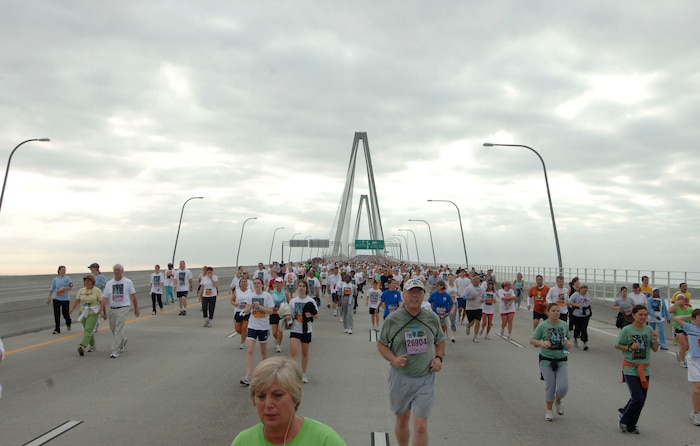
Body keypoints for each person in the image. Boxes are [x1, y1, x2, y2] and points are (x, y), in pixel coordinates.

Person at [377, 277, 445, 446]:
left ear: (423, 296)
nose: (414, 296)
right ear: (403, 295)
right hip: (401, 377)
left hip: (425, 377)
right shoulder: (393, 319)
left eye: (418, 292)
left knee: (421, 426)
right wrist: (394, 358)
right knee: (402, 419)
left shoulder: (432, 318)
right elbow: (381, 344)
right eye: (411, 292)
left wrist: (438, 358)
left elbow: (440, 340)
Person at [231, 356, 346, 445]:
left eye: (278, 395)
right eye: (261, 396)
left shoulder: (325, 441)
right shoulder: (243, 442)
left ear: (295, 396)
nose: (268, 404)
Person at [615, 304, 659, 434]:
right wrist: (629, 347)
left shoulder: (649, 330)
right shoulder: (627, 330)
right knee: (637, 397)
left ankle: (631, 425)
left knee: (641, 400)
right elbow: (617, 345)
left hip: (644, 369)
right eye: (640, 314)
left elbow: (655, 349)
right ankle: (623, 419)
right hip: (630, 368)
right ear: (633, 315)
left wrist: (655, 339)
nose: (643, 317)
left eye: (645, 315)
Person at [530, 303, 571, 422]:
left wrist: (568, 344)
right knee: (551, 385)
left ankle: (557, 400)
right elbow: (532, 340)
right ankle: (549, 410)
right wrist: (542, 343)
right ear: (548, 312)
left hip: (561, 358)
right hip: (546, 359)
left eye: (558, 311)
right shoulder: (543, 326)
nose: (556, 313)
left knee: (563, 386)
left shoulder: (564, 325)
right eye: (553, 310)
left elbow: (568, 338)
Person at [240, 277, 275, 386]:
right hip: (252, 325)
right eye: (255, 283)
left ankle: (266, 374)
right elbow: (245, 311)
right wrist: (248, 308)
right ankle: (248, 375)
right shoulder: (250, 296)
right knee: (250, 350)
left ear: (262, 285)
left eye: (258, 283)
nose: (256, 285)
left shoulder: (267, 296)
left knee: (263, 351)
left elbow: (271, 311)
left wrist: (259, 306)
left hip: (263, 327)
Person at [100, 264, 140, 358]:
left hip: (124, 308)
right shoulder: (109, 283)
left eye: (118, 270)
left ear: (122, 271)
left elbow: (133, 295)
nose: (116, 272)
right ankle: (123, 340)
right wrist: (101, 307)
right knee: (113, 328)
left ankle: (115, 350)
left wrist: (136, 308)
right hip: (113, 309)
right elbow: (105, 297)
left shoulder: (128, 282)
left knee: (118, 328)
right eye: (115, 270)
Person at [671, 308, 700, 426]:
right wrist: (691, 316)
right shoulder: (690, 328)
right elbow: (676, 318)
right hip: (694, 360)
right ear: (694, 320)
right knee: (698, 387)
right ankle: (696, 412)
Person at [287, 281, 319, 384]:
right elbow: (289, 312)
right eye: (299, 286)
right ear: (297, 288)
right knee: (293, 353)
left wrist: (311, 315)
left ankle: (303, 373)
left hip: (306, 329)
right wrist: (287, 316)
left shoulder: (311, 301)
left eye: (303, 286)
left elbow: (317, 315)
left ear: (306, 288)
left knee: (305, 353)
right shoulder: (293, 301)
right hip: (295, 329)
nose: (301, 288)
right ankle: (294, 374)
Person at [69, 274, 103, 355]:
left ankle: (83, 346)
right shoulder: (81, 291)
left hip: (93, 312)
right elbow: (77, 300)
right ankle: (93, 345)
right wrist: (72, 309)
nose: (86, 282)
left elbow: (102, 302)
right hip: (83, 312)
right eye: (85, 281)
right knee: (87, 330)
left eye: (88, 281)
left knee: (88, 329)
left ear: (92, 282)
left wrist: (103, 312)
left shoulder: (97, 290)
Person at [46, 265, 73, 334]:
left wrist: (64, 288)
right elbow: (51, 289)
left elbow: (70, 287)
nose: (63, 271)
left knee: (65, 313)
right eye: (62, 270)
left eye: (64, 270)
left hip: (65, 299)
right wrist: (49, 298)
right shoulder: (55, 279)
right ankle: (57, 328)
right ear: (59, 271)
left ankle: (68, 322)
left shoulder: (68, 278)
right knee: (56, 314)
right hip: (56, 298)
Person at [670, 294, 693, 368]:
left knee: (687, 346)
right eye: (679, 299)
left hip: (686, 328)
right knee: (684, 345)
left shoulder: (689, 308)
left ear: (685, 300)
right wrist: (676, 303)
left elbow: (693, 317)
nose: (680, 300)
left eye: (682, 299)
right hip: (678, 328)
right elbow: (670, 310)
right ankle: (683, 362)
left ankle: (680, 355)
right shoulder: (676, 308)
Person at [231, 277, 253, 350]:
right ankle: (244, 335)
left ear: (247, 284)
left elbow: (253, 300)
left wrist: (249, 306)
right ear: (239, 284)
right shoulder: (236, 291)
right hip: (238, 311)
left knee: (244, 327)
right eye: (242, 282)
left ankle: (242, 342)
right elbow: (232, 300)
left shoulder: (250, 291)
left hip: (247, 311)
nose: (243, 283)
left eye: (245, 282)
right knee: (238, 329)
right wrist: (235, 304)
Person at [569, 284, 592, 350]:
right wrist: (577, 305)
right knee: (577, 328)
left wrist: (589, 305)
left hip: (585, 314)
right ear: (580, 289)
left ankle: (585, 342)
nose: (585, 292)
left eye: (586, 291)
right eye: (584, 291)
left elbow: (589, 302)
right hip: (577, 314)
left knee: (584, 328)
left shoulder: (587, 295)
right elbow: (569, 302)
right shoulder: (576, 295)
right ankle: (575, 338)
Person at [463, 275, 485, 343]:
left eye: (479, 279)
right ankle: (468, 326)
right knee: (471, 322)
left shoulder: (481, 288)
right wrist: (470, 298)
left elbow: (484, 296)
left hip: (478, 307)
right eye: (476, 279)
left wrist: (483, 300)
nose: (478, 280)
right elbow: (463, 296)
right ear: (473, 280)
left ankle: (475, 336)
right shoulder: (468, 288)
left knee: (478, 321)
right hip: (470, 308)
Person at [270, 277, 288, 352]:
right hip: (274, 313)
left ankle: (278, 345)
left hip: (282, 313)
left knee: (280, 330)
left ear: (282, 284)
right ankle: (276, 339)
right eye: (276, 282)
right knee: (274, 332)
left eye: (279, 282)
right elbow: (272, 302)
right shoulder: (272, 293)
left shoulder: (285, 293)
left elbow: (288, 302)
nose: (277, 284)